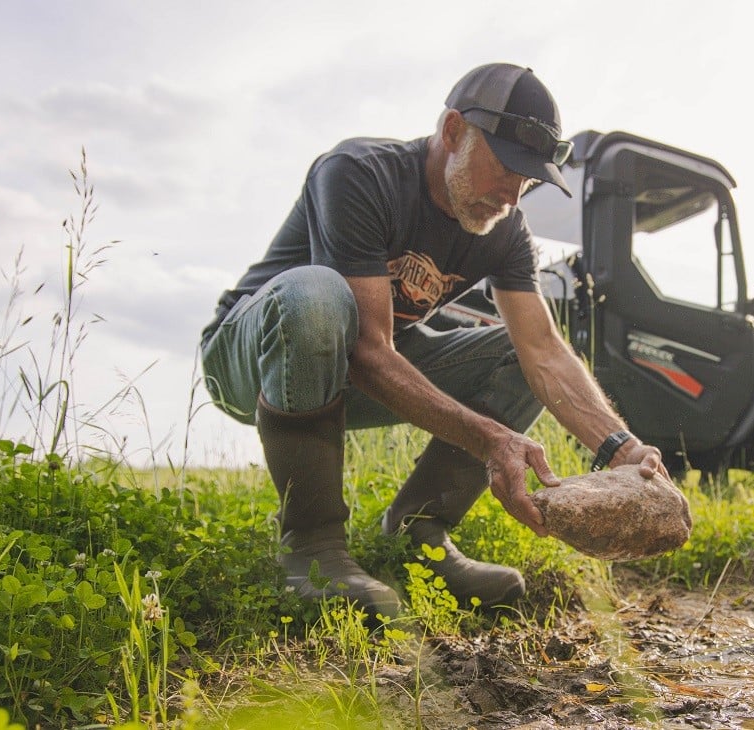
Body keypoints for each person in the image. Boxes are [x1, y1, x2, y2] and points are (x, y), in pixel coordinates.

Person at [200, 62, 666, 618]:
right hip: (251, 358)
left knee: (512, 355)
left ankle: (419, 536)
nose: (513, 195)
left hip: (353, 366)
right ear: (452, 132)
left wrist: (620, 446)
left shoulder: (505, 232)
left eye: (529, 179)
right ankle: (314, 548)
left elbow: (543, 353)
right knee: (318, 296)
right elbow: (370, 352)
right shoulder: (358, 173)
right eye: (506, 168)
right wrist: (490, 438)